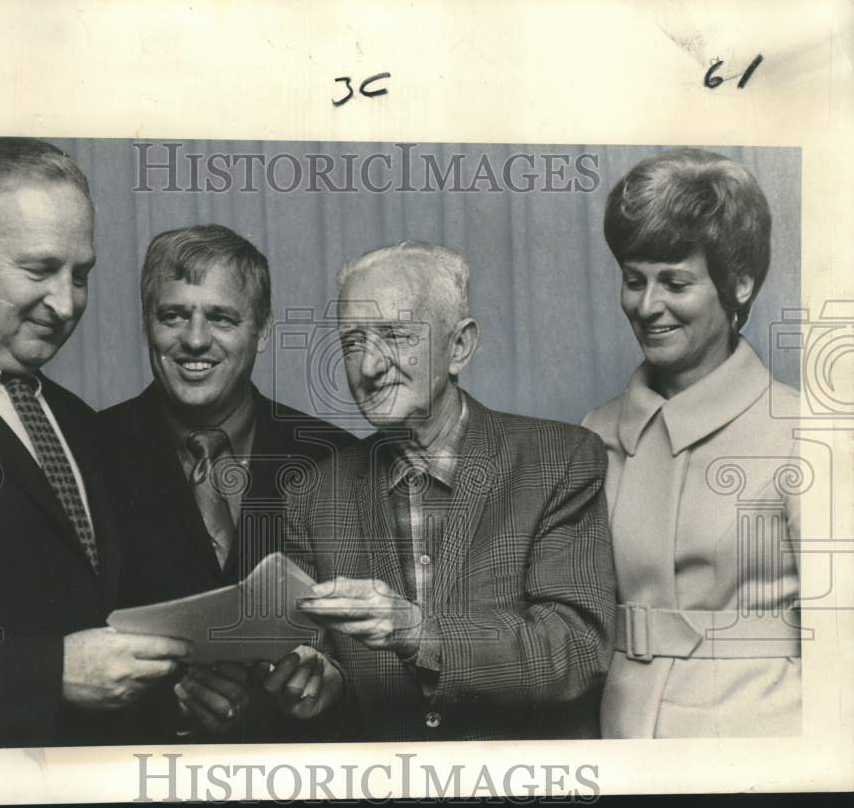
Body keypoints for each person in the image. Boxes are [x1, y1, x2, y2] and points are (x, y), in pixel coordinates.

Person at [0, 138, 193, 750]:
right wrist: (47, 673)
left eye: (80, 275)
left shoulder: (76, 421)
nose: (66, 304)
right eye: (38, 270)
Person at [265, 240, 616, 741]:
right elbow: (320, 656)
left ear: (460, 346)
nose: (368, 366)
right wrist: (318, 683)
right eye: (352, 342)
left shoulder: (559, 460)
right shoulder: (314, 493)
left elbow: (577, 652)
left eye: (395, 334)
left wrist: (417, 631)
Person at [97, 224, 354, 742]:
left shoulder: (336, 456)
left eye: (221, 317)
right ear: (148, 324)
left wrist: (333, 677)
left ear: (261, 329)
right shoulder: (86, 449)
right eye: (173, 315)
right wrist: (164, 697)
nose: (194, 339)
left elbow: (374, 647)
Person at [582, 148, 802, 738]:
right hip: (618, 742)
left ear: (740, 284)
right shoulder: (594, 433)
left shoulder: (805, 434)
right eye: (634, 279)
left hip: (764, 746)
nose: (647, 306)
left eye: (675, 282)